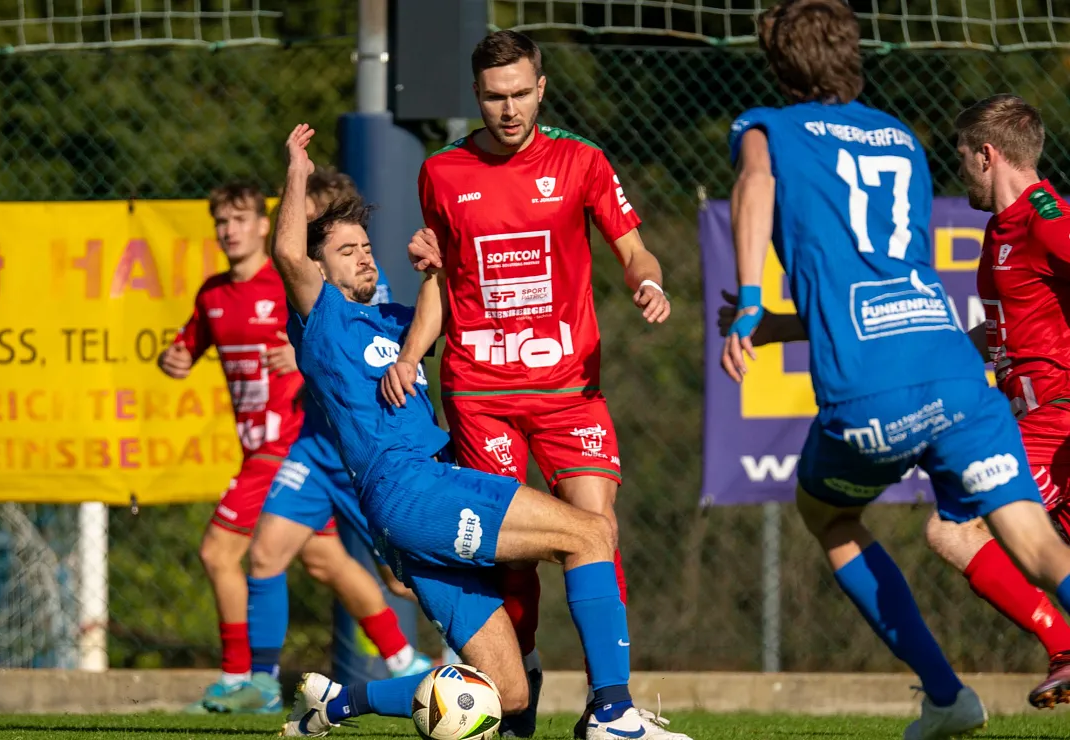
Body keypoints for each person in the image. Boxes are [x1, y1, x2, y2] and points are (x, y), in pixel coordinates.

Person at [271, 123, 691, 740]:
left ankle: (337, 704)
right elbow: (286, 254)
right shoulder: (322, 320)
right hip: (411, 489)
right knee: (590, 533)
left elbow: (463, 304)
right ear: (318, 267)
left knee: (509, 694)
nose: (362, 256)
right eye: (344, 250)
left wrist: (441, 266)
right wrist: (298, 172)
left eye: (365, 246)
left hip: (421, 507)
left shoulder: (397, 319)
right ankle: (612, 712)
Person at [723, 2, 1070, 738]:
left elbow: (754, 185)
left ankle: (946, 696)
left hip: (869, 388)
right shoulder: (901, 138)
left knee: (829, 515)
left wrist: (752, 303)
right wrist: (789, 319)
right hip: (954, 376)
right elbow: (873, 272)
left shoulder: (768, 129)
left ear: (780, 64)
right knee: (1036, 547)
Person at [380, 30, 671, 737]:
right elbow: (444, 278)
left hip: (570, 389)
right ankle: (520, 680)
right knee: (512, 559)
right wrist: (414, 351)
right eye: (492, 97)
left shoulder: (581, 161)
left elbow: (631, 247)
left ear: (541, 87)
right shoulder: (443, 172)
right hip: (480, 396)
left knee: (597, 530)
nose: (508, 110)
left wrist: (649, 280)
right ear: (476, 96)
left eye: (519, 94)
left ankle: (612, 707)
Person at [158, 179, 425, 714]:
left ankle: (464, 657)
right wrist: (176, 357)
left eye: (242, 219)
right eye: (222, 221)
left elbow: (360, 345)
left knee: (403, 576)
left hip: (317, 447)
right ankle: (261, 679)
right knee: (314, 559)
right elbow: (189, 344)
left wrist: (302, 352)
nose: (230, 231)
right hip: (302, 449)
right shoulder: (218, 293)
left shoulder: (322, 287)